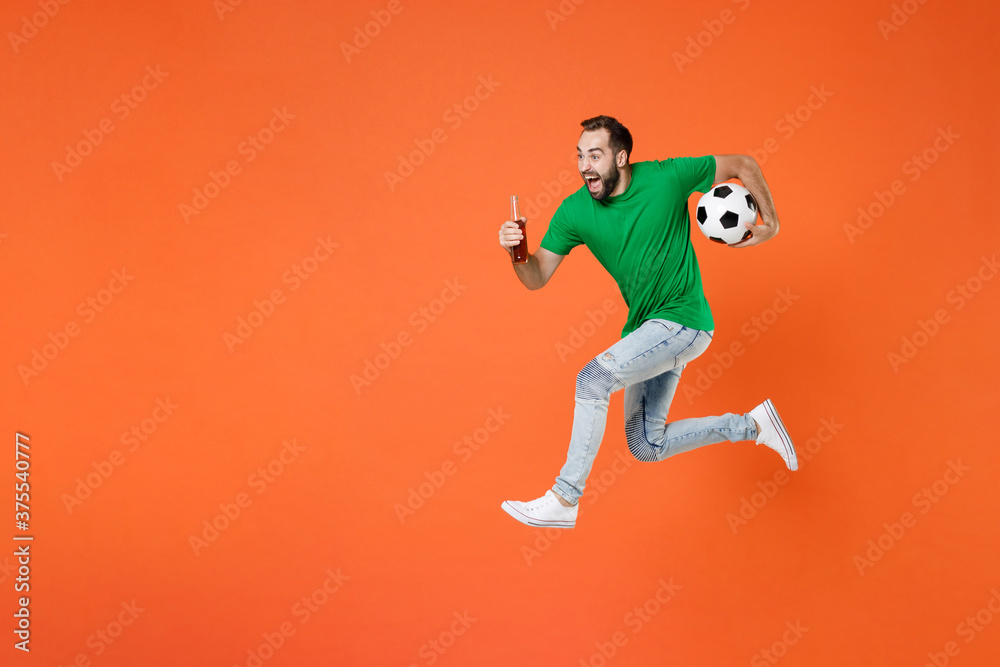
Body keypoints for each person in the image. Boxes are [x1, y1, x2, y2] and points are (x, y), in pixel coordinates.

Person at [497, 115, 797, 529]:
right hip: (648, 332)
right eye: (580, 156)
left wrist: (772, 224)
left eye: (595, 155)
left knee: (592, 379)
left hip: (683, 319)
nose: (585, 165)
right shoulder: (574, 211)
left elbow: (743, 163)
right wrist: (517, 252)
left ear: (621, 157)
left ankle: (565, 498)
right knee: (646, 444)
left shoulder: (667, 177)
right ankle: (752, 426)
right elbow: (536, 277)